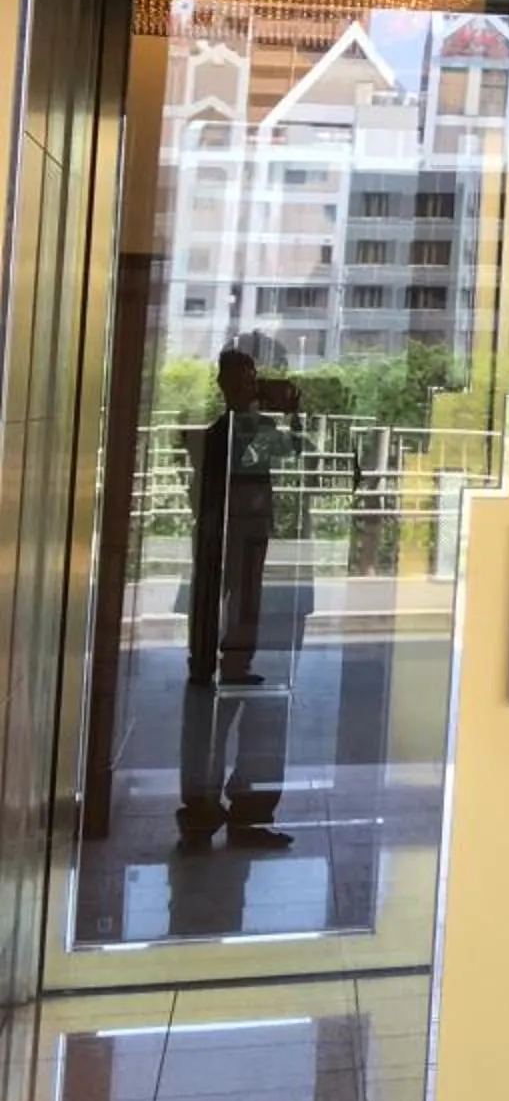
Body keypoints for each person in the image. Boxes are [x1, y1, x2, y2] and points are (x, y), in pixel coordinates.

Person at [177, 348, 296, 852]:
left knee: (236, 608)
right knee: (239, 605)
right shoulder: (234, 430)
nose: (254, 386)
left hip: (238, 537)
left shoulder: (229, 430)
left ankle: (211, 813)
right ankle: (221, 811)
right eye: (247, 378)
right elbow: (288, 450)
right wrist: (284, 413)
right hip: (237, 537)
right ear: (228, 383)